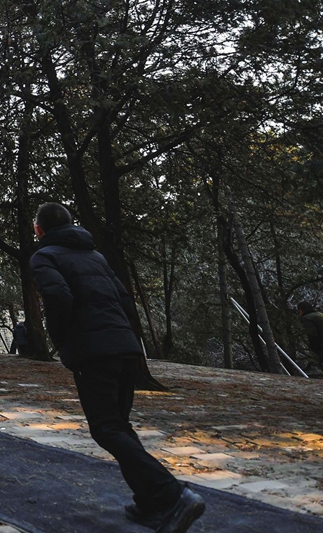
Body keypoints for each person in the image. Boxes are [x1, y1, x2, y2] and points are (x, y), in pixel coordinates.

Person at [30, 202, 203, 533]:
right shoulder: (96, 256)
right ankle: (149, 501)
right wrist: (126, 336)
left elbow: (58, 296)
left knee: (106, 427)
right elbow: (125, 300)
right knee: (119, 425)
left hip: (94, 351)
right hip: (125, 346)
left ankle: (173, 494)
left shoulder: (44, 256)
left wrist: (62, 338)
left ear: (39, 230)